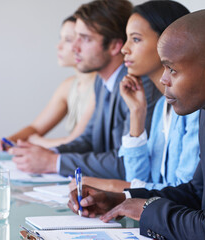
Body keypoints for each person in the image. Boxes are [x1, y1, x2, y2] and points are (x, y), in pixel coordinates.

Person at [68, 9, 205, 240]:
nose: (163, 79)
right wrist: (121, 199)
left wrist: (148, 210)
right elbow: (197, 192)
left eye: (172, 69)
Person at [9, 0, 161, 178]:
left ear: (114, 46)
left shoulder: (139, 86)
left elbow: (126, 161)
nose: (74, 48)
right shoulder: (102, 81)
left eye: (85, 39)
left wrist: (53, 162)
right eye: (75, 37)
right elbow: (89, 140)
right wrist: (50, 153)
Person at [69, 0, 199, 193]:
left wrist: (112, 186)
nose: (124, 49)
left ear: (170, 41)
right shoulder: (162, 106)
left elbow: (184, 194)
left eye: (136, 39)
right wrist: (137, 113)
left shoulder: (195, 109)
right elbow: (138, 179)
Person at [3, 16, 96, 149]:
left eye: (68, 40)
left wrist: (37, 141)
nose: (59, 46)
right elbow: (35, 127)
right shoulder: (68, 86)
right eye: (61, 38)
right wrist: (7, 141)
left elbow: (75, 142)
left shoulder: (101, 87)